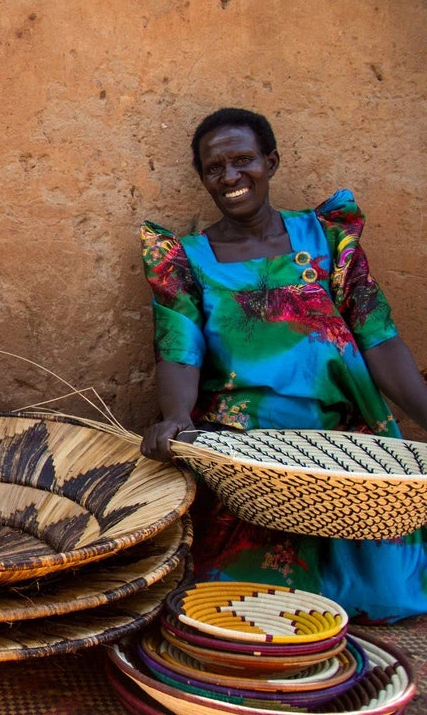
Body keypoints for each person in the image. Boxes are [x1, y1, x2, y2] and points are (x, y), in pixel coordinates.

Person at [139, 108, 427, 623]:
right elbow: (178, 350)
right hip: (250, 459)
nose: (230, 177)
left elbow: (379, 339)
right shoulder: (184, 260)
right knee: (251, 609)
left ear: (271, 162)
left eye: (243, 160)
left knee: (390, 596)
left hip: (349, 450)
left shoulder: (329, 240)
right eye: (214, 167)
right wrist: (177, 417)